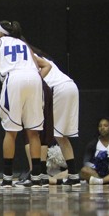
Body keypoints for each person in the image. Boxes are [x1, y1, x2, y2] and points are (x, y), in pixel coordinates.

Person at [0, 21, 51, 188]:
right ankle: (36, 177)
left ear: (0, 34)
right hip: (34, 78)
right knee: (34, 132)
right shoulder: (24, 44)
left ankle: (7, 178)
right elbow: (42, 66)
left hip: (14, 79)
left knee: (11, 132)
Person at [36, 49, 81, 187]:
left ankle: (40, 174)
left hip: (58, 89)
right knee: (60, 135)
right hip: (71, 86)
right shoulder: (42, 57)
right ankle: (73, 175)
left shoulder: (28, 57)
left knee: (41, 131)